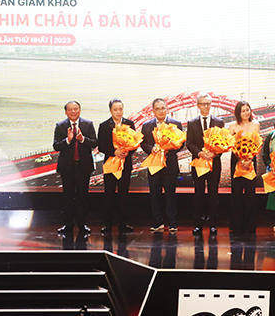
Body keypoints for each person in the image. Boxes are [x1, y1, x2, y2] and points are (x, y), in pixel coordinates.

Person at [53, 101, 98, 234]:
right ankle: (67, 225)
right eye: (70, 110)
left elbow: (95, 143)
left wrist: (82, 139)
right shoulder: (61, 126)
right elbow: (56, 146)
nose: (73, 112)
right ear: (66, 112)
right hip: (67, 168)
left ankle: (82, 224)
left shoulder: (87, 124)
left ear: (79, 110)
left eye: (76, 109)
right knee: (67, 197)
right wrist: (68, 140)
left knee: (82, 197)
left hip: (83, 167)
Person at [141, 98, 184, 233]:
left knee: (170, 194)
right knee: (154, 194)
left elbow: (181, 143)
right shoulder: (147, 125)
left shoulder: (175, 124)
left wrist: (168, 149)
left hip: (169, 164)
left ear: (167, 109)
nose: (160, 111)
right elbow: (143, 143)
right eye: (157, 108)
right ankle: (157, 222)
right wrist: (151, 148)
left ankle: (172, 223)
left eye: (163, 108)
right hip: (154, 164)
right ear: (153, 111)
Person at [187, 94, 225, 236]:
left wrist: (215, 154)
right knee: (199, 193)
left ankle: (213, 224)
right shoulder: (191, 122)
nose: (206, 106)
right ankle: (198, 224)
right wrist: (200, 154)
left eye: (208, 103)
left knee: (213, 193)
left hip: (214, 163)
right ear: (198, 105)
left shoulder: (219, 121)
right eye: (203, 104)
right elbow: (189, 143)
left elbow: (223, 142)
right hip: (198, 163)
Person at [97, 98, 136, 234]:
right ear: (110, 110)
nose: (118, 112)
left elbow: (135, 143)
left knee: (123, 195)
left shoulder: (129, 124)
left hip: (125, 164)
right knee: (109, 194)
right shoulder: (104, 126)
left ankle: (123, 224)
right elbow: (101, 146)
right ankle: (107, 225)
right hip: (110, 164)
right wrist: (114, 152)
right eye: (115, 110)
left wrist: (126, 152)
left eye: (121, 109)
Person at [229, 101, 260, 233]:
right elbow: (231, 145)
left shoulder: (255, 125)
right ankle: (237, 224)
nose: (246, 113)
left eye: (248, 110)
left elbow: (256, 144)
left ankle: (249, 225)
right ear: (238, 113)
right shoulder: (232, 126)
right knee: (236, 192)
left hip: (251, 160)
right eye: (243, 111)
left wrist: (249, 159)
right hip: (236, 161)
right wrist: (240, 159)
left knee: (250, 193)